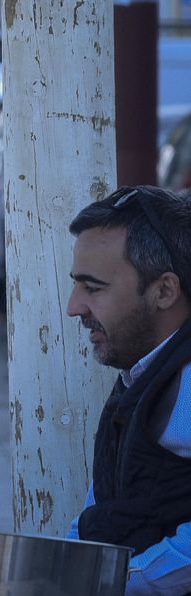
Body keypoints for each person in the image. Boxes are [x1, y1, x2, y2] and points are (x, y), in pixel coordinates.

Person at [64, 185, 191, 595]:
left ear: (164, 291)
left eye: (93, 287)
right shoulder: (144, 366)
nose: (74, 306)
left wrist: (118, 581)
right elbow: (102, 498)